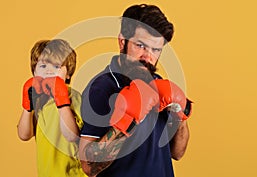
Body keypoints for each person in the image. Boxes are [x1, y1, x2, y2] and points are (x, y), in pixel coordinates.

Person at [78, 4, 193, 177]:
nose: (148, 57)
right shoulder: (101, 88)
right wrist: (126, 122)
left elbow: (177, 153)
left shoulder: (158, 83)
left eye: (155, 50)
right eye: (140, 46)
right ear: (122, 41)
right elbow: (88, 167)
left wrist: (180, 117)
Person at [17, 39, 87, 177]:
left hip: (72, 174)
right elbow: (24, 135)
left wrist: (62, 101)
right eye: (43, 66)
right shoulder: (38, 100)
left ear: (68, 74)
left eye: (56, 67)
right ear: (34, 72)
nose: (49, 71)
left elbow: (72, 135)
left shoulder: (73, 96)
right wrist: (27, 106)